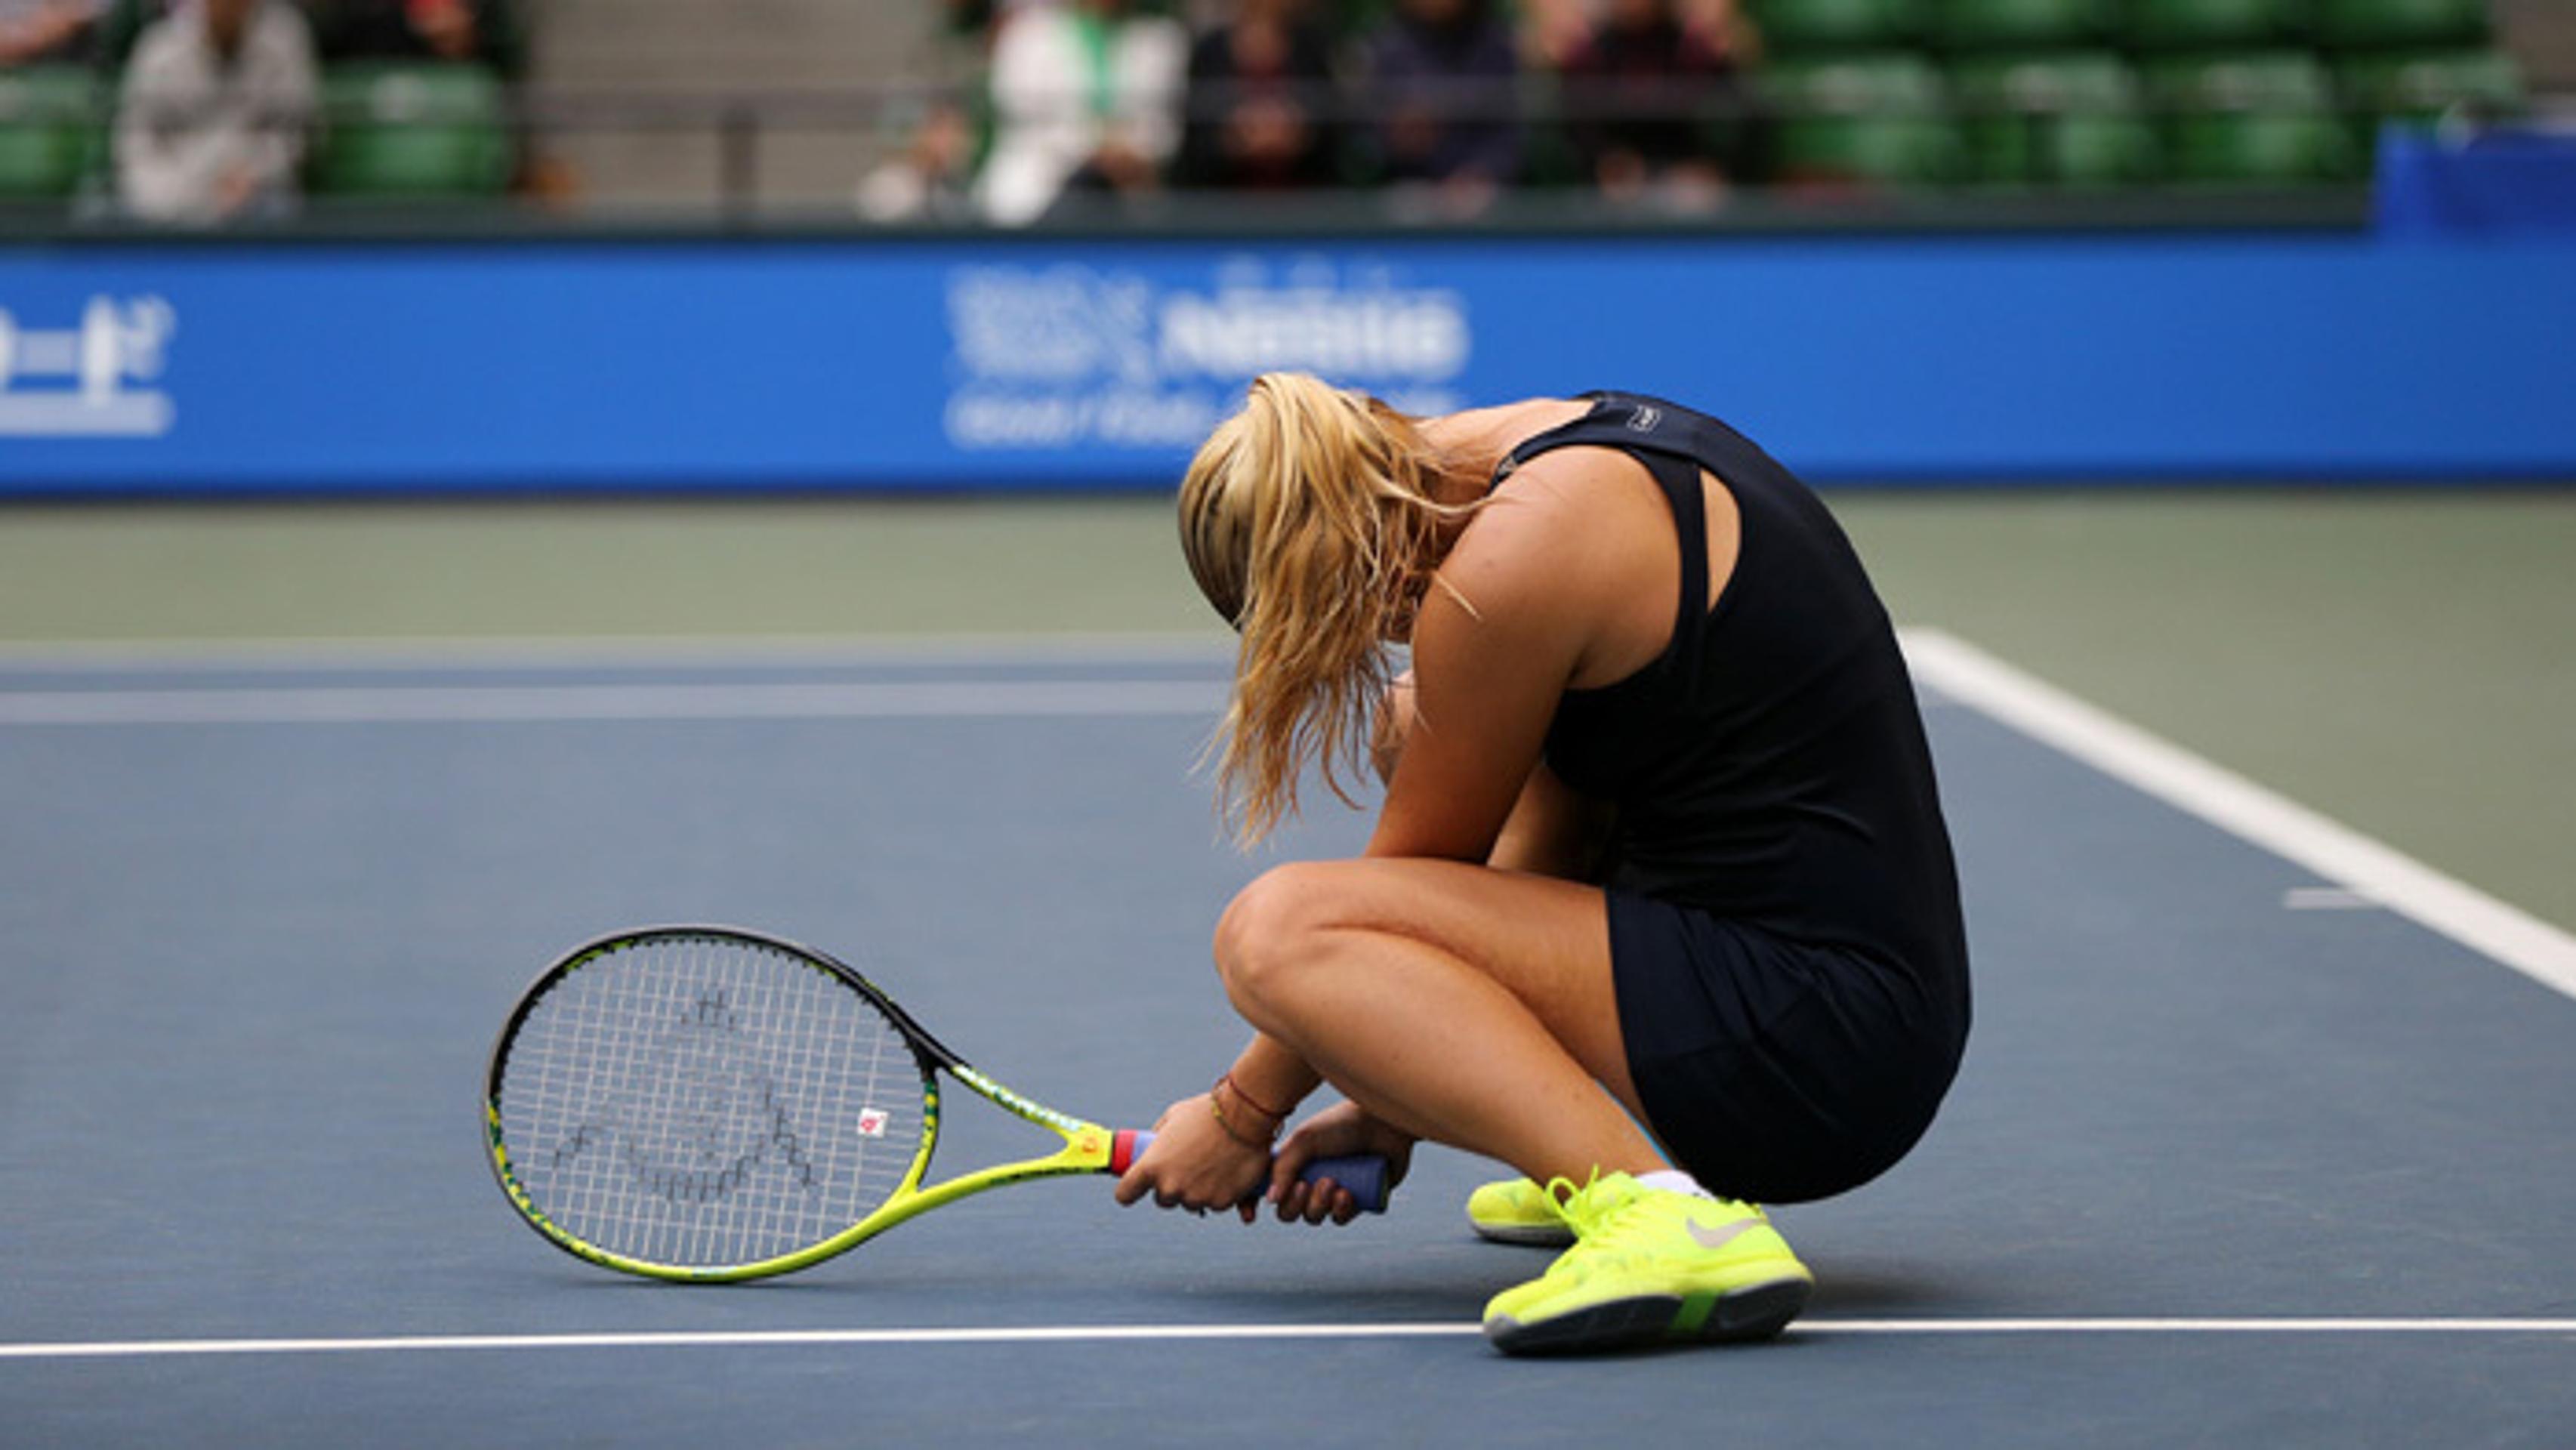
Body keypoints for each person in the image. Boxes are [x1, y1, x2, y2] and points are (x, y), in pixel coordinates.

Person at [1116, 375, 1972, 1355]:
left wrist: (1240, 1115)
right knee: (1412, 717)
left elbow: (1401, 903)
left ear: (1353, 565)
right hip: (1841, 1007)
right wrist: (1389, 1097)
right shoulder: (1561, 449)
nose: (1377, 635)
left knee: (1279, 932)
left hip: (1815, 1054)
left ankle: (1656, 1212)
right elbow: (1549, 833)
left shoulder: (1515, 562)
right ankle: (1593, 1151)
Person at [974, 0, 1186, 226]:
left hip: (1129, 193)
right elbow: (1020, 115)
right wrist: (1098, 150)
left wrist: (1128, 155)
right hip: (1036, 192)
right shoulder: (1027, 35)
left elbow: (1162, 129)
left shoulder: (1160, 39)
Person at [114, 0, 316, 225]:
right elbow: (136, 144)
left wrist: (253, 174)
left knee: (276, 208)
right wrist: (175, 194)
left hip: (258, 191)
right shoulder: (159, 48)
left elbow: (297, 134)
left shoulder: (285, 38)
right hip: (173, 194)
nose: (227, 7)